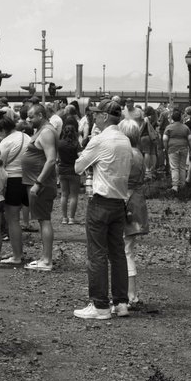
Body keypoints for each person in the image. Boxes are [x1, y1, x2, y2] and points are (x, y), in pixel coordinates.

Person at [73, 100, 133, 320]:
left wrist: (91, 142)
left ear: (105, 117)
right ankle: (121, 302)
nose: (94, 117)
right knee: (118, 253)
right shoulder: (125, 140)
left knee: (97, 253)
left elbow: (78, 166)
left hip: (100, 200)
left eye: (97, 114)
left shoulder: (100, 140)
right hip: (119, 201)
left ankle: (100, 305)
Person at [21, 103, 59, 271]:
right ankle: (44, 257)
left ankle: (47, 260)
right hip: (38, 182)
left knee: (44, 220)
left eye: (31, 116)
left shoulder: (47, 132)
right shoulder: (43, 131)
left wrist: (38, 183)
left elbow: (51, 159)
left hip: (41, 183)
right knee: (43, 219)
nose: (28, 119)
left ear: (41, 116)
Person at [118, 119, 149, 310]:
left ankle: (130, 294)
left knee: (124, 250)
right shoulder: (139, 154)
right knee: (127, 248)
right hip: (136, 200)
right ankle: (130, 294)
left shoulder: (127, 154)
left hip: (125, 201)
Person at [0, 108, 31, 265]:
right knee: (21, 218)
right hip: (27, 179)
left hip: (12, 180)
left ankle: (17, 255)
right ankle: (18, 251)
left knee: (13, 220)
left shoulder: (6, 142)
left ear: (3, 129)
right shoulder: (26, 136)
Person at [57, 120, 82, 224]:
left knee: (64, 194)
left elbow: (57, 158)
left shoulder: (60, 144)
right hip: (74, 171)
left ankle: (64, 218)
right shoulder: (76, 144)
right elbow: (81, 156)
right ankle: (71, 218)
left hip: (62, 170)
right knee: (74, 195)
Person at [162, 109, 191, 192]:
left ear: (172, 118)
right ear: (181, 118)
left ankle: (175, 186)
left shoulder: (169, 127)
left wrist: (166, 148)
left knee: (174, 167)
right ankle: (182, 185)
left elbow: (165, 139)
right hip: (184, 148)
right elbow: (190, 139)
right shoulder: (186, 127)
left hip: (172, 148)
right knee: (182, 167)